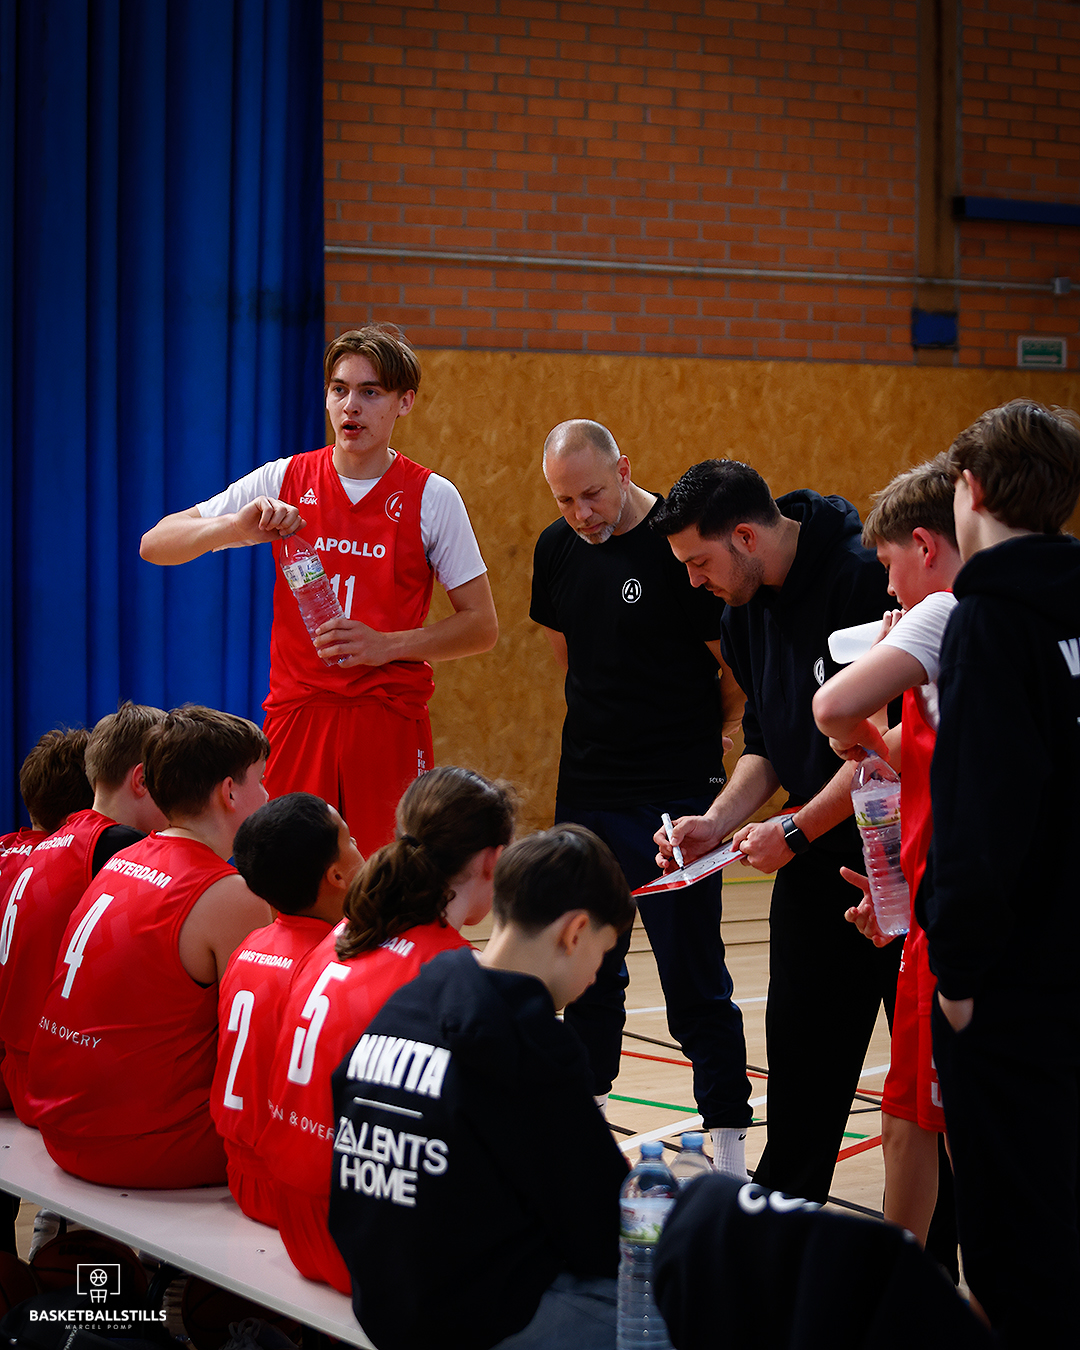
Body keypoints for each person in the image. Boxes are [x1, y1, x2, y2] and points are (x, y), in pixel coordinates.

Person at [139, 323, 498, 858]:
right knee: (289, 878)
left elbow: (481, 626)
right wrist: (235, 527)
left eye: (370, 392)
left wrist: (386, 645)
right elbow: (155, 543)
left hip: (386, 719)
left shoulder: (432, 497)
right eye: (339, 389)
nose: (351, 406)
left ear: (404, 402)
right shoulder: (284, 480)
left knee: (383, 880)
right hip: (299, 715)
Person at [651, 460, 899, 1203]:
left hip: (897, 851)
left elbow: (885, 749)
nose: (694, 580)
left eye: (700, 561)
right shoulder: (741, 610)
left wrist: (794, 829)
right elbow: (763, 744)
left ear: (747, 536)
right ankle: (781, 1225)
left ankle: (941, 1244)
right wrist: (718, 822)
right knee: (801, 1067)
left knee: (928, 1082)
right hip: (814, 855)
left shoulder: (864, 579)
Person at [530, 420, 753, 1177]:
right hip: (588, 790)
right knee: (588, 972)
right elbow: (572, 660)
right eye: (565, 501)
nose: (581, 513)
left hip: (675, 795)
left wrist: (712, 737)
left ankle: (729, 1145)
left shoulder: (676, 551)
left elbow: (733, 671)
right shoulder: (556, 549)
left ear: (624, 469)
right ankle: (586, 1129)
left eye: (593, 494)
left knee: (694, 979)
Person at [328, 824, 635, 1350]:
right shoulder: (527, 1038)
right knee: (676, 1304)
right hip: (464, 1321)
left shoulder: (414, 994)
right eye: (602, 954)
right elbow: (604, 1231)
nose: (594, 977)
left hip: (377, 1295)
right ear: (575, 932)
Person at [917, 399, 1080, 1346]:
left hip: (1017, 985)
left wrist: (961, 979)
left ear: (969, 491)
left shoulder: (988, 622)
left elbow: (982, 814)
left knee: (1019, 1240)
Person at [260, 765, 515, 1292]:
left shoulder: (342, 931)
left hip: (292, 1213)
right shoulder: (450, 973)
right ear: (492, 860)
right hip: (362, 1236)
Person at [811, 456, 962, 1246]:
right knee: (911, 1118)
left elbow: (834, 710)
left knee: (936, 1121)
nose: (889, 588)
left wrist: (862, 739)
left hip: (964, 914)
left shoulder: (943, 618)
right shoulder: (988, 632)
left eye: (890, 565)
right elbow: (914, 761)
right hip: (941, 899)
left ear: (925, 546)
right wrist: (898, 884)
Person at [26, 705, 272, 1188]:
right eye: (261, 781)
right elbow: (255, 1050)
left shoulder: (120, 859)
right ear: (228, 792)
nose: (267, 796)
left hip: (58, 1122)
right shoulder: (231, 895)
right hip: (138, 1145)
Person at [0, 703, 168, 1121]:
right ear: (142, 779)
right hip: (48, 1073)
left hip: (20, 1059)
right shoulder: (117, 847)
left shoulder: (48, 841)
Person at [209, 792, 364, 1226]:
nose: (360, 846)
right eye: (350, 838)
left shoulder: (249, 944)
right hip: (296, 1190)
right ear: (337, 875)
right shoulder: (332, 966)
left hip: (240, 1173)